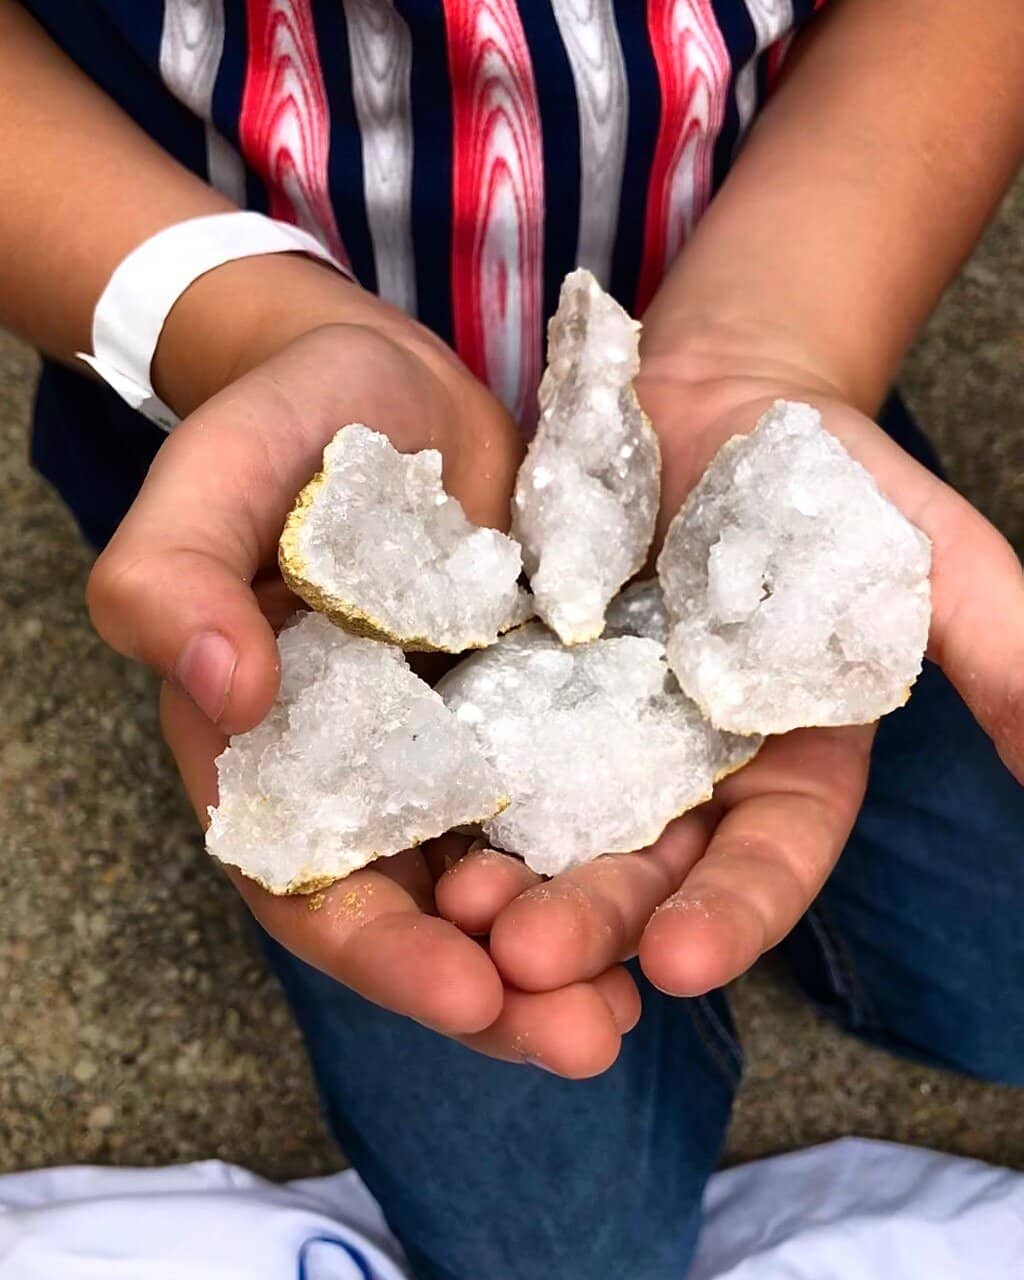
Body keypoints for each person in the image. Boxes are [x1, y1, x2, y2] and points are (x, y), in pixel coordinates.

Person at [1, 1, 1021, 1276]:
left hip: (751, 344)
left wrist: (788, 337)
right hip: (234, 398)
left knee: (1003, 982)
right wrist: (225, 318)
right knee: (559, 1247)